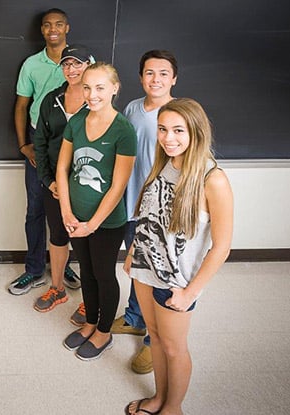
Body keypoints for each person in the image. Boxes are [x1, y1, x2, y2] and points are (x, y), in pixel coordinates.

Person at [123, 98, 233, 415]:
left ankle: (173, 407)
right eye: (162, 129)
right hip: (145, 268)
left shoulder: (213, 180)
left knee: (173, 346)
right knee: (155, 338)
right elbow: (148, 215)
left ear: (196, 132)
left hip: (177, 281)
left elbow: (221, 247)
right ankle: (158, 398)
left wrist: (189, 292)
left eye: (177, 130)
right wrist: (133, 253)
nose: (168, 138)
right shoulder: (164, 163)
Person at [56, 62, 136, 361]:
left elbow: (118, 186)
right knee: (86, 273)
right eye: (87, 87)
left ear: (114, 88)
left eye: (100, 87)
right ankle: (90, 322)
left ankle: (104, 331)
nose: (92, 94)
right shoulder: (76, 121)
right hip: (75, 217)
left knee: (103, 274)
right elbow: (63, 169)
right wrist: (66, 211)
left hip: (105, 222)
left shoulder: (123, 130)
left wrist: (92, 224)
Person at [111, 50, 179, 375]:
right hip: (130, 204)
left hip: (158, 212)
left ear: (174, 78)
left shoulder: (178, 116)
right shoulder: (132, 108)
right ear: (141, 78)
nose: (156, 79)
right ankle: (136, 319)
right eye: (150, 73)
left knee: (156, 275)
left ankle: (155, 343)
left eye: (163, 73)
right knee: (137, 270)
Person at [9, 7, 81, 296]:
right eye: (47, 25)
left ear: (67, 27)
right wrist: (25, 144)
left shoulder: (81, 61)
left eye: (59, 24)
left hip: (77, 143)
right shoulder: (31, 65)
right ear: (42, 30)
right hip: (40, 143)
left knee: (72, 208)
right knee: (36, 208)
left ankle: (63, 266)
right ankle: (35, 268)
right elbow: (22, 107)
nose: (53, 29)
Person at [32, 44, 94, 312]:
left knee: (86, 240)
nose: (71, 69)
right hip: (55, 185)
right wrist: (50, 181)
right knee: (58, 235)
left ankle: (90, 301)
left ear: (89, 65)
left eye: (77, 64)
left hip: (86, 187)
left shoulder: (97, 102)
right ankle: (57, 289)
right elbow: (41, 145)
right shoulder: (51, 100)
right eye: (67, 64)